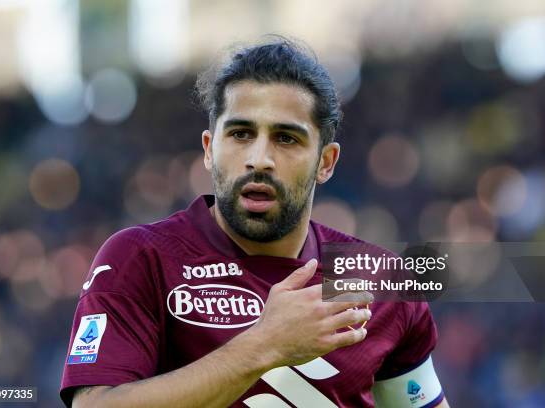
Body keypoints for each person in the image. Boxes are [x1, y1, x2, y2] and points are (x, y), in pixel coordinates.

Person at [60, 37, 449, 408]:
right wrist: (264, 345)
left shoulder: (380, 283)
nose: (259, 158)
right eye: (241, 134)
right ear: (210, 150)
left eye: (286, 138)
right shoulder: (141, 259)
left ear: (326, 162)